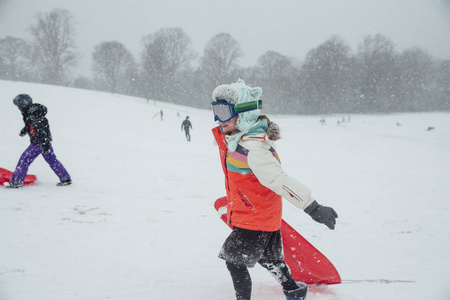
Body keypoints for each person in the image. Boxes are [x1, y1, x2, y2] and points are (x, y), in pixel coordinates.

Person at [210, 79, 338, 300]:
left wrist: (312, 207)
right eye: (215, 110)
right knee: (269, 259)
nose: (218, 119)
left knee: (234, 261)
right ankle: (293, 290)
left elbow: (280, 180)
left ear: (244, 114)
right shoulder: (239, 140)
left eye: (223, 111)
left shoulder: (253, 147)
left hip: (255, 217)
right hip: (262, 214)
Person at [6, 94, 72, 188]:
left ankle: (16, 182)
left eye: (18, 105)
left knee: (24, 160)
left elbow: (40, 130)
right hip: (44, 142)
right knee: (52, 160)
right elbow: (32, 125)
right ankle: (65, 178)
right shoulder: (32, 113)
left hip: (39, 143)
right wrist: (25, 130)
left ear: (22, 104)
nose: (18, 107)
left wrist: (44, 144)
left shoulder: (33, 115)